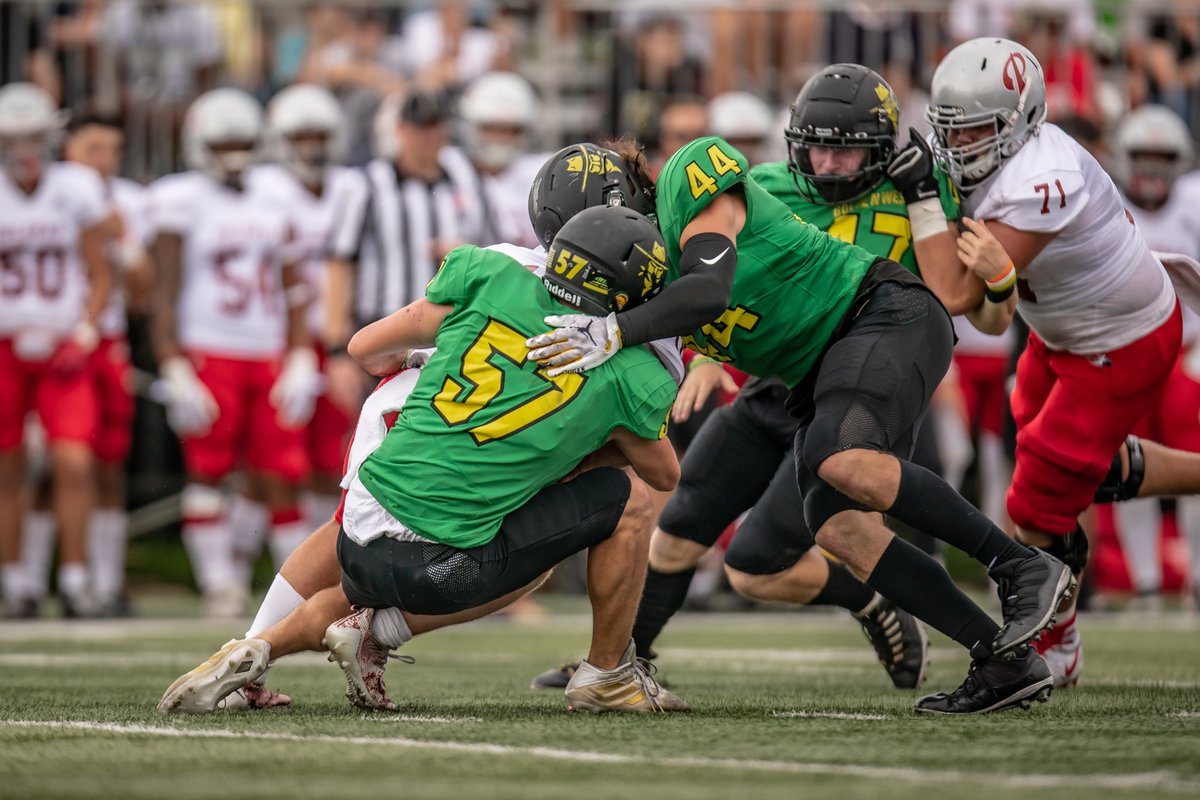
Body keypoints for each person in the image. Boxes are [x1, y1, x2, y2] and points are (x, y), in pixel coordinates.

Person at [524, 131, 1076, 712]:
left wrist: (616, 331)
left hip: (880, 312)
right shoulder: (640, 281)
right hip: (814, 373)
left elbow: (708, 290)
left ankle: (1021, 566)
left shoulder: (691, 178)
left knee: (840, 459)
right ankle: (1001, 660)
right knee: (839, 528)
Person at [158, 206, 690, 715]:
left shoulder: (486, 272)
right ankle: (607, 675)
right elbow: (665, 474)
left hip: (362, 524)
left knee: (366, 577)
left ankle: (260, 646)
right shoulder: (629, 373)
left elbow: (366, 349)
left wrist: (435, 355)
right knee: (612, 507)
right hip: (441, 569)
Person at [925, 39, 1193, 687]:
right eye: (951, 131)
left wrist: (921, 199)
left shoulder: (1044, 177)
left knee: (1036, 500)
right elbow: (980, 296)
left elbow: (955, 294)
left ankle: (1062, 645)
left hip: (1120, 340)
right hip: (1061, 331)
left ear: (1020, 120)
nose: (961, 146)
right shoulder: (996, 159)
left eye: (979, 129)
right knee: (1060, 468)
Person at [150, 88, 320, 619]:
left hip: (266, 351)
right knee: (208, 471)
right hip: (209, 349)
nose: (234, 154)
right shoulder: (180, 198)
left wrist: (299, 355)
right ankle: (218, 583)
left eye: (243, 143)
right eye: (223, 144)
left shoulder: (274, 197)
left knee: (280, 473)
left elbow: (294, 289)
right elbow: (164, 289)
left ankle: (290, 594)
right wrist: (172, 361)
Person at [0, 83, 112, 619]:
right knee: (8, 464)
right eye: (13, 136)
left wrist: (86, 331)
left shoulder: (75, 186)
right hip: (3, 345)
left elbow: (99, 270)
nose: (24, 147)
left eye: (33, 135)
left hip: (64, 345)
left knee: (74, 460)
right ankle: (17, 582)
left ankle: (73, 579)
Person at [249, 84, 368, 544]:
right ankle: (248, 566)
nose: (311, 148)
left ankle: (321, 558)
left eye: (319, 137)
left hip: (342, 337)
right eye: (301, 138)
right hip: (279, 339)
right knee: (272, 459)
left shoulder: (354, 187)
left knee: (331, 457)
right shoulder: (263, 189)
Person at [62, 113, 153, 617]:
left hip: (107, 338)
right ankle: (30, 582)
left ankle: (105, 582)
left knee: (107, 461)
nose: (103, 160)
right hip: (49, 339)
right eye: (91, 147)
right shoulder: (44, 195)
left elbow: (141, 296)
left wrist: (129, 245)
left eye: (112, 148)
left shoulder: (128, 202)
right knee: (45, 463)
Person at [1110, 105, 1200, 610]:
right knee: (1129, 465)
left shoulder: (1192, 202)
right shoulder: (1106, 202)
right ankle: (1145, 580)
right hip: (1127, 351)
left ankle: (1197, 578)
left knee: (1192, 464)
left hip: (1187, 353)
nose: (1151, 167)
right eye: (1142, 155)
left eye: (1163, 156)